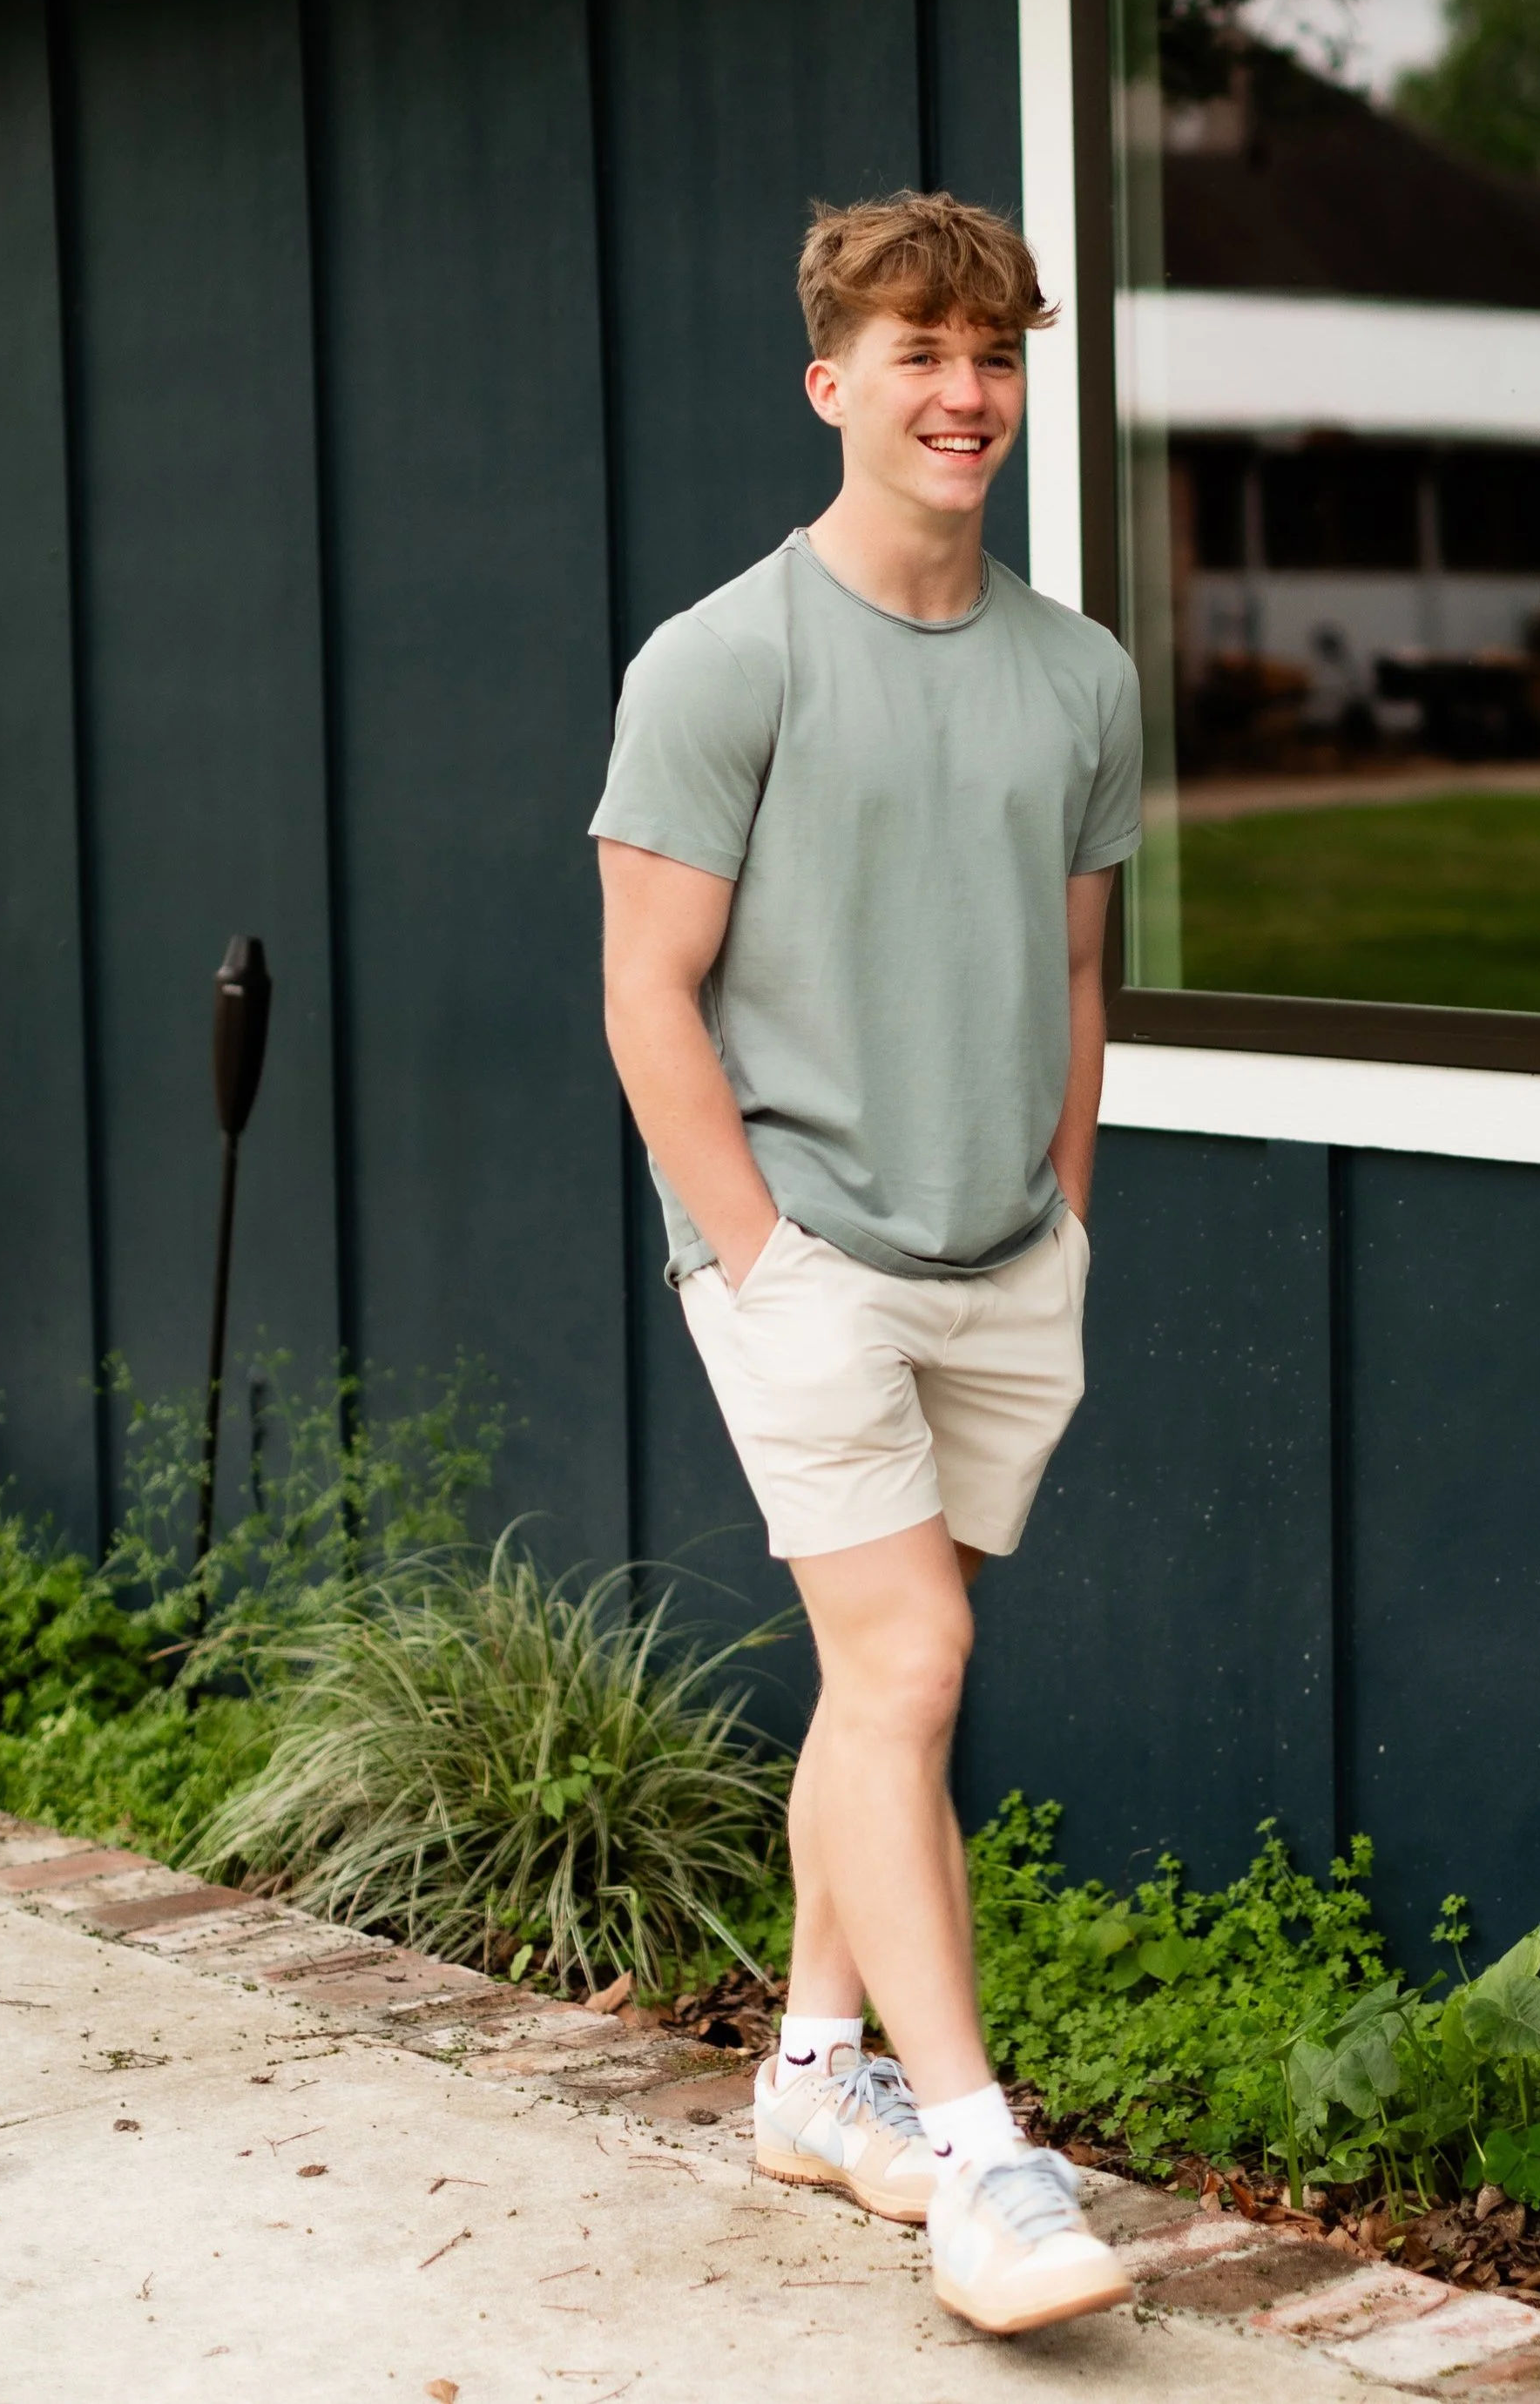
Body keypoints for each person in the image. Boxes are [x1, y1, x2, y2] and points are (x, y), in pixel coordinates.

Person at [591, 192, 1142, 2338]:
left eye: (995, 351)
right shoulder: (723, 656)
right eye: (920, 350)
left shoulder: (1076, 670)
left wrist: (1064, 1199)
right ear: (832, 382)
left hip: (1006, 1252)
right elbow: (649, 989)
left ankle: (816, 2071)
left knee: (876, 1689)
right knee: (910, 1658)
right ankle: (985, 2147)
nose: (966, 390)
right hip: (801, 1246)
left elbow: (1083, 972)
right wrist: (753, 1253)